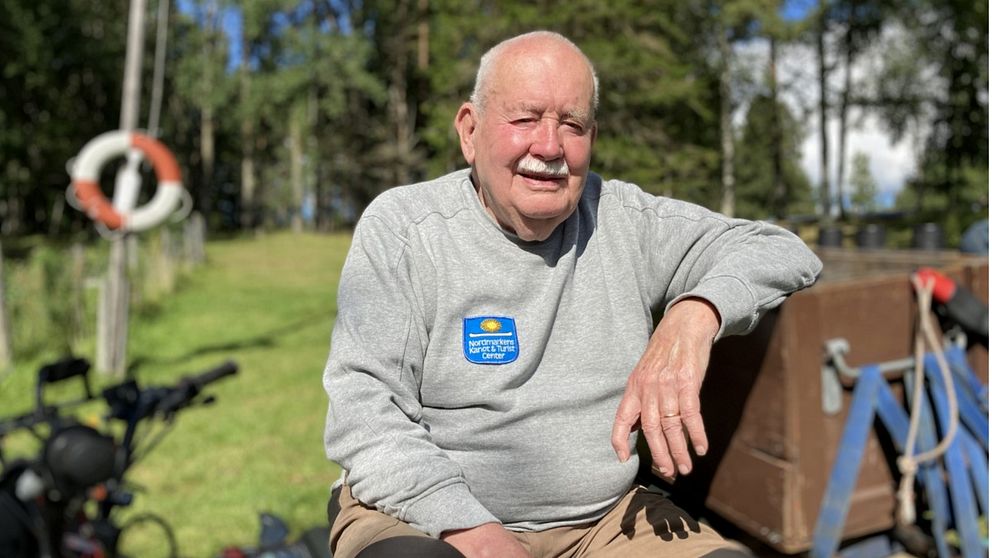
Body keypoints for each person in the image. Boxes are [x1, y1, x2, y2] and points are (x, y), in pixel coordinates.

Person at [322, 30, 822, 558]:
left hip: (606, 524)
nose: (550, 146)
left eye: (572, 124)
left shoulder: (623, 219)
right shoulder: (405, 229)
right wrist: (470, 529)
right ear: (470, 131)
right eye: (525, 119)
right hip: (421, 516)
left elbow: (782, 249)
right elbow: (366, 415)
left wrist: (695, 314)